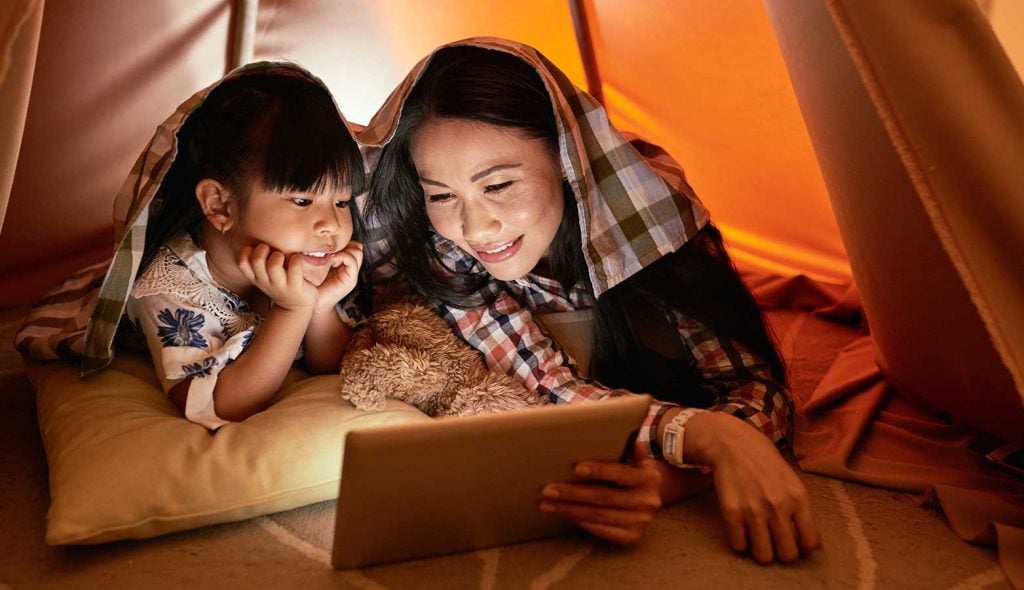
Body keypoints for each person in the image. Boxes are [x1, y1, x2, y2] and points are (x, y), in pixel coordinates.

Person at [365, 40, 821, 563]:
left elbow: (755, 384)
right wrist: (707, 437)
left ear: (567, 162)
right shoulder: (442, 250)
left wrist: (668, 477)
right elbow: (553, 396)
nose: (474, 225)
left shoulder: (647, 214)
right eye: (441, 195)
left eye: (499, 185)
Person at [125, 63, 366, 430]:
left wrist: (320, 307)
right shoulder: (167, 287)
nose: (332, 226)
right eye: (302, 202)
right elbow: (221, 405)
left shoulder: (300, 259)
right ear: (220, 205)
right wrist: (291, 309)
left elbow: (332, 367)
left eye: (342, 201)